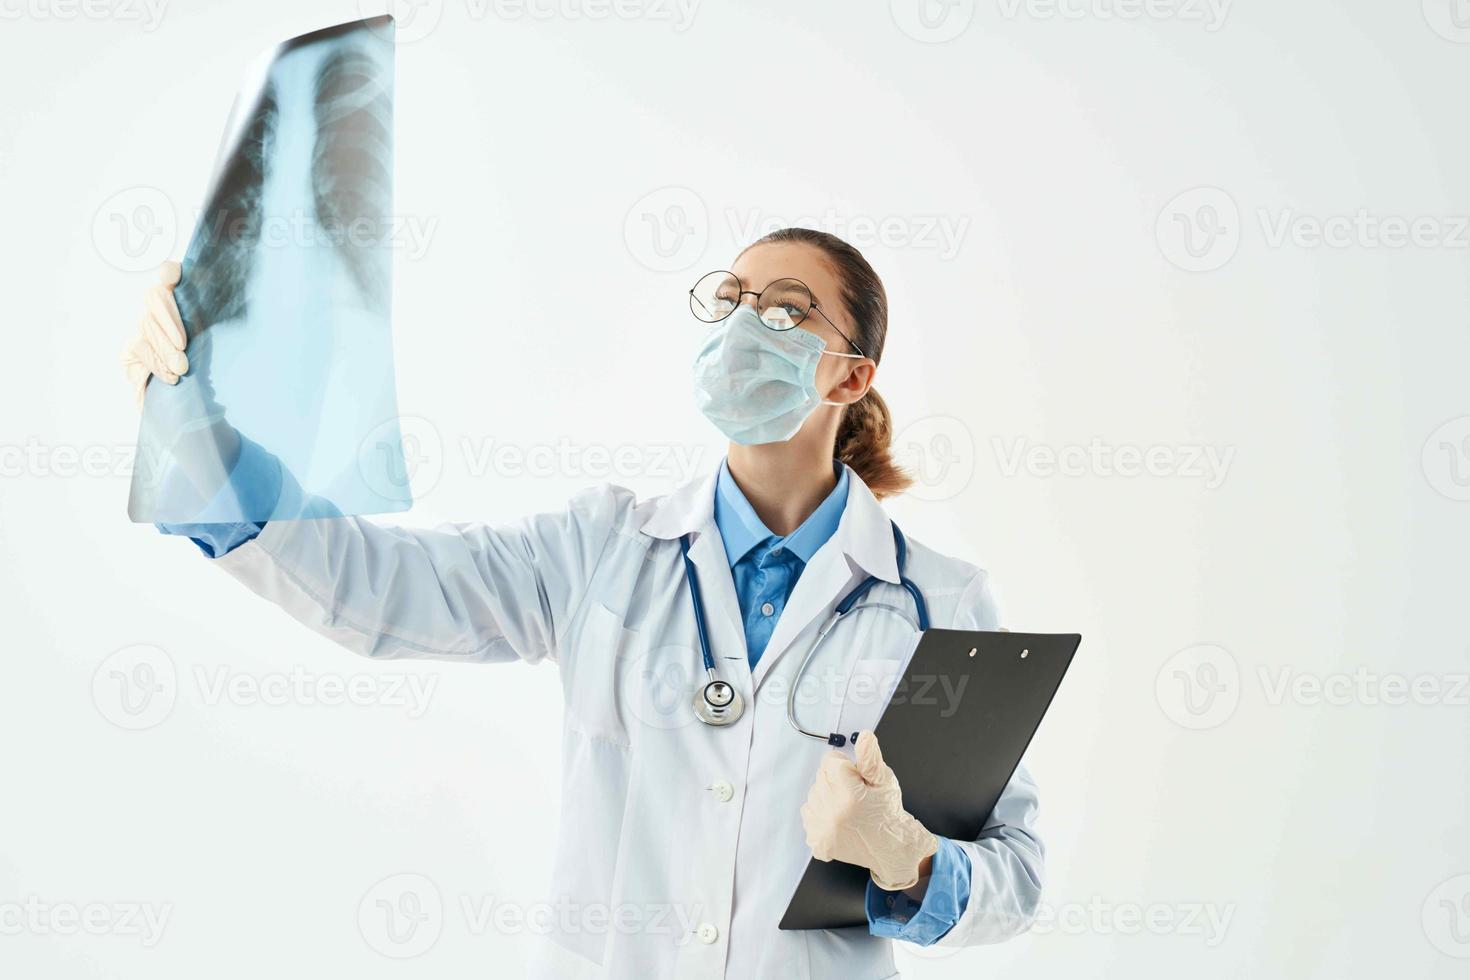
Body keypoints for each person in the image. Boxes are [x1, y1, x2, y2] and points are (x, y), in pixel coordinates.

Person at [121, 227, 1044, 979]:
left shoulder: (939, 602)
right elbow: (382, 590)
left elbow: (1018, 874)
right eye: (731, 301)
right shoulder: (601, 547)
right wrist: (196, 434)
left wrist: (906, 856)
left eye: (785, 310)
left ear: (850, 377)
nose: (743, 325)